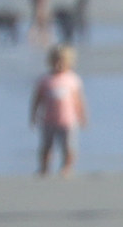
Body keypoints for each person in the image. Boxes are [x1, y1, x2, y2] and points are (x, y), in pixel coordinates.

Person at [31, 42, 84, 176]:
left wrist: (82, 116)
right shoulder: (45, 80)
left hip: (68, 121)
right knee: (47, 146)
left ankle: (67, 167)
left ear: (69, 63)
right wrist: (33, 115)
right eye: (55, 62)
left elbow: (79, 100)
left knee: (68, 146)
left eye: (62, 62)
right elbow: (37, 99)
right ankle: (44, 167)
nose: (58, 65)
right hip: (49, 120)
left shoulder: (72, 79)